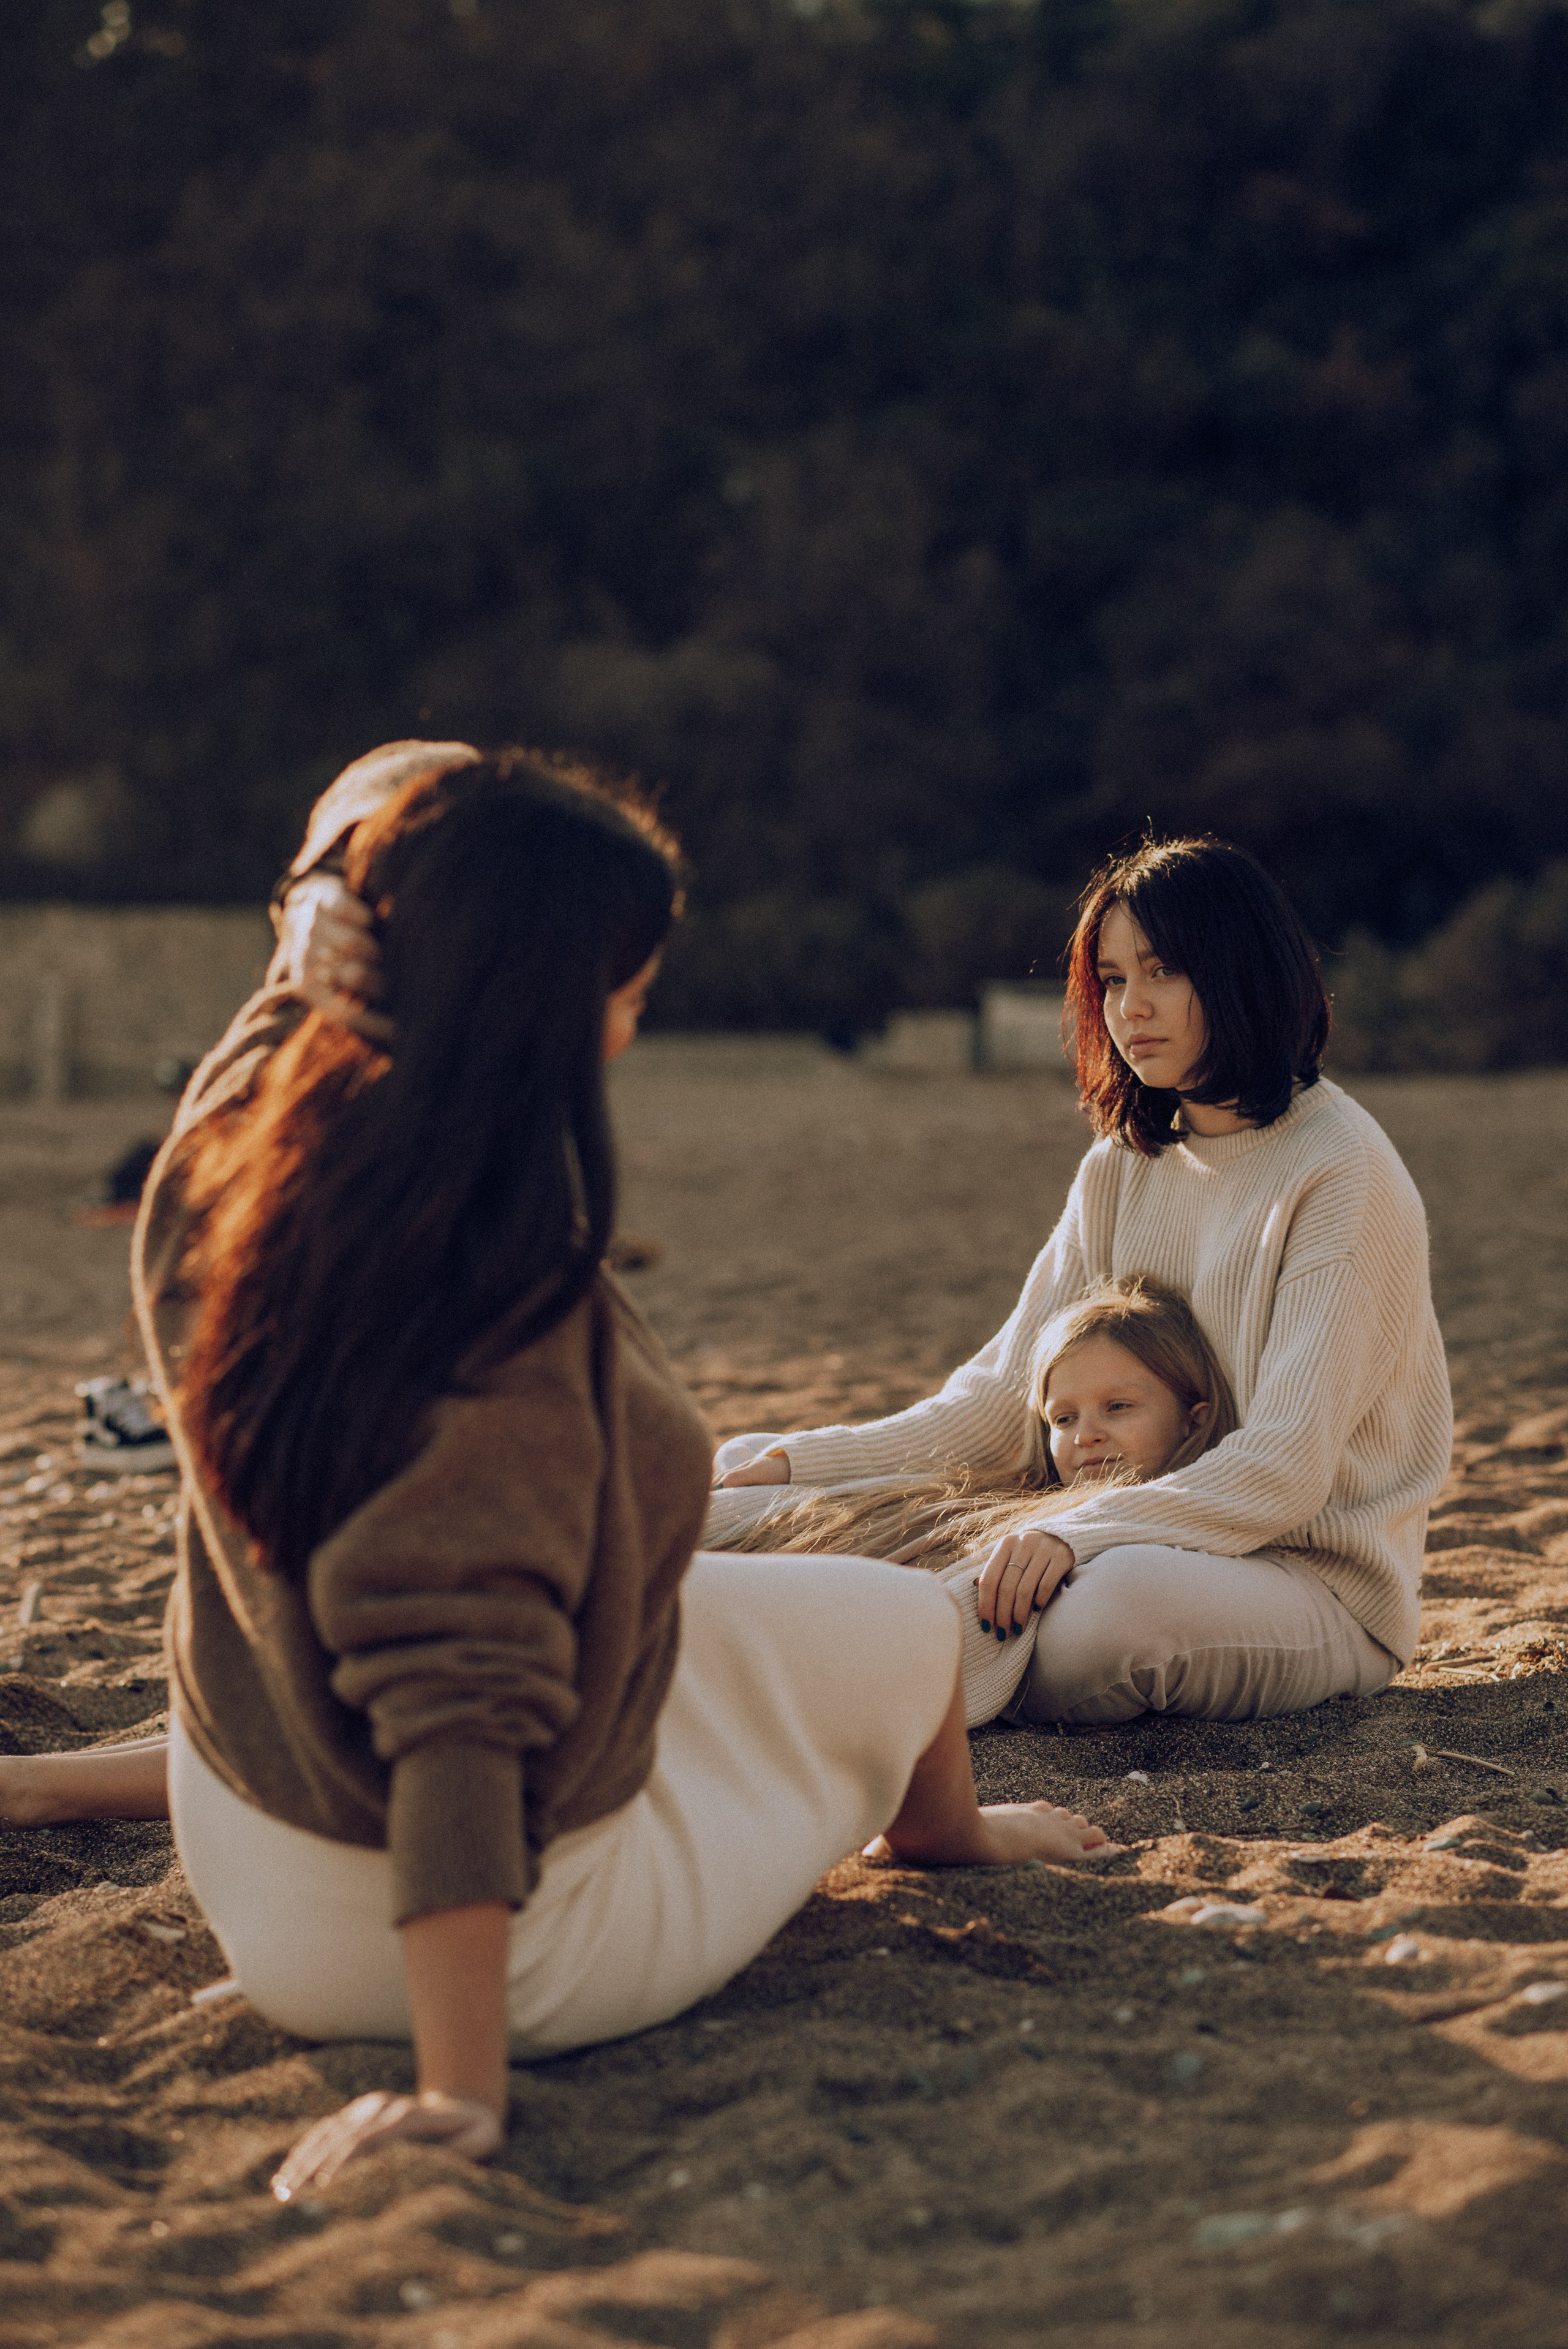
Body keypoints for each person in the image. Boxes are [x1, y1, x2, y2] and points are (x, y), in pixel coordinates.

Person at [0, 742, 1112, 2196]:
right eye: (631, 990)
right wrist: (459, 2086)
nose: (634, 1021)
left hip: (256, 1825)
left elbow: (396, 782)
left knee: (807, 1609)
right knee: (914, 1624)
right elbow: (457, 1706)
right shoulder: (496, 1317)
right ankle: (942, 1829)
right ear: (547, 1007)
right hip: (458, 1942)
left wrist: (308, 933)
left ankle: (940, 1823)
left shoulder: (229, 1180)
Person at [718, 835, 1453, 1727]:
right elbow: (1000, 1404)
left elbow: (1284, 1469)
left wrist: (1074, 1532)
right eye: (1109, 980)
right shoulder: (1124, 1162)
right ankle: (812, 1637)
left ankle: (853, 1666)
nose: (1130, 1008)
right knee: (741, 1474)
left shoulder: (1342, 1171)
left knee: (1100, 1617)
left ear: (1241, 973)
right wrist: (801, 1461)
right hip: (1111, 1517)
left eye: (1162, 971)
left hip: (1304, 1576)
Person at [714, 1273, 1238, 1727]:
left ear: (1194, 1417)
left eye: (1118, 1406)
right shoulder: (1017, 1501)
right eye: (1063, 1417)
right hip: (765, 1613)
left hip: (794, 1673)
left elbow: (926, 1647)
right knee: (740, 1488)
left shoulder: (1148, 1532)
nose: (1086, 1434)